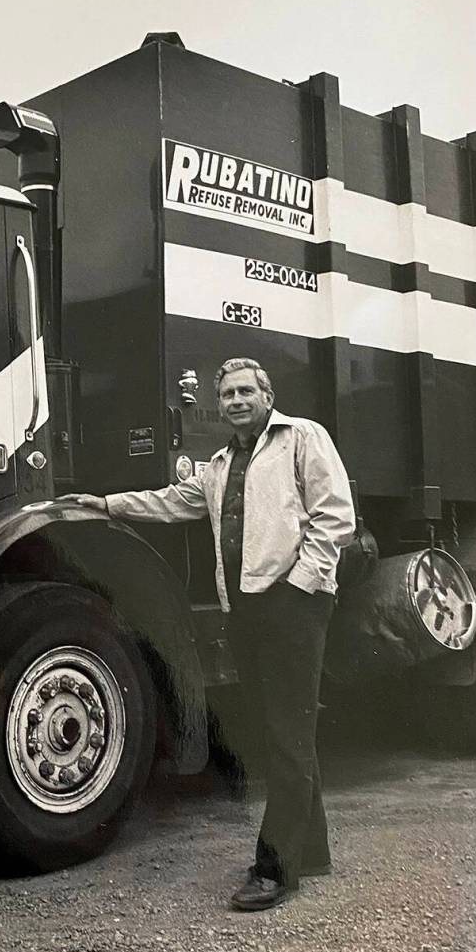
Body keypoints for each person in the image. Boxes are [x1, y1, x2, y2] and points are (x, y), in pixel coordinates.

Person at [64, 357, 356, 911]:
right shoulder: (220, 464)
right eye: (227, 395)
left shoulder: (302, 438)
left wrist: (300, 586)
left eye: (246, 391)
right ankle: (311, 850)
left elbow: (336, 517)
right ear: (219, 405)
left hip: (293, 606)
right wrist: (105, 504)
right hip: (244, 608)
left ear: (268, 396)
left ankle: (276, 869)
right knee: (281, 730)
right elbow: (173, 502)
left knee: (286, 733)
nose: (237, 401)